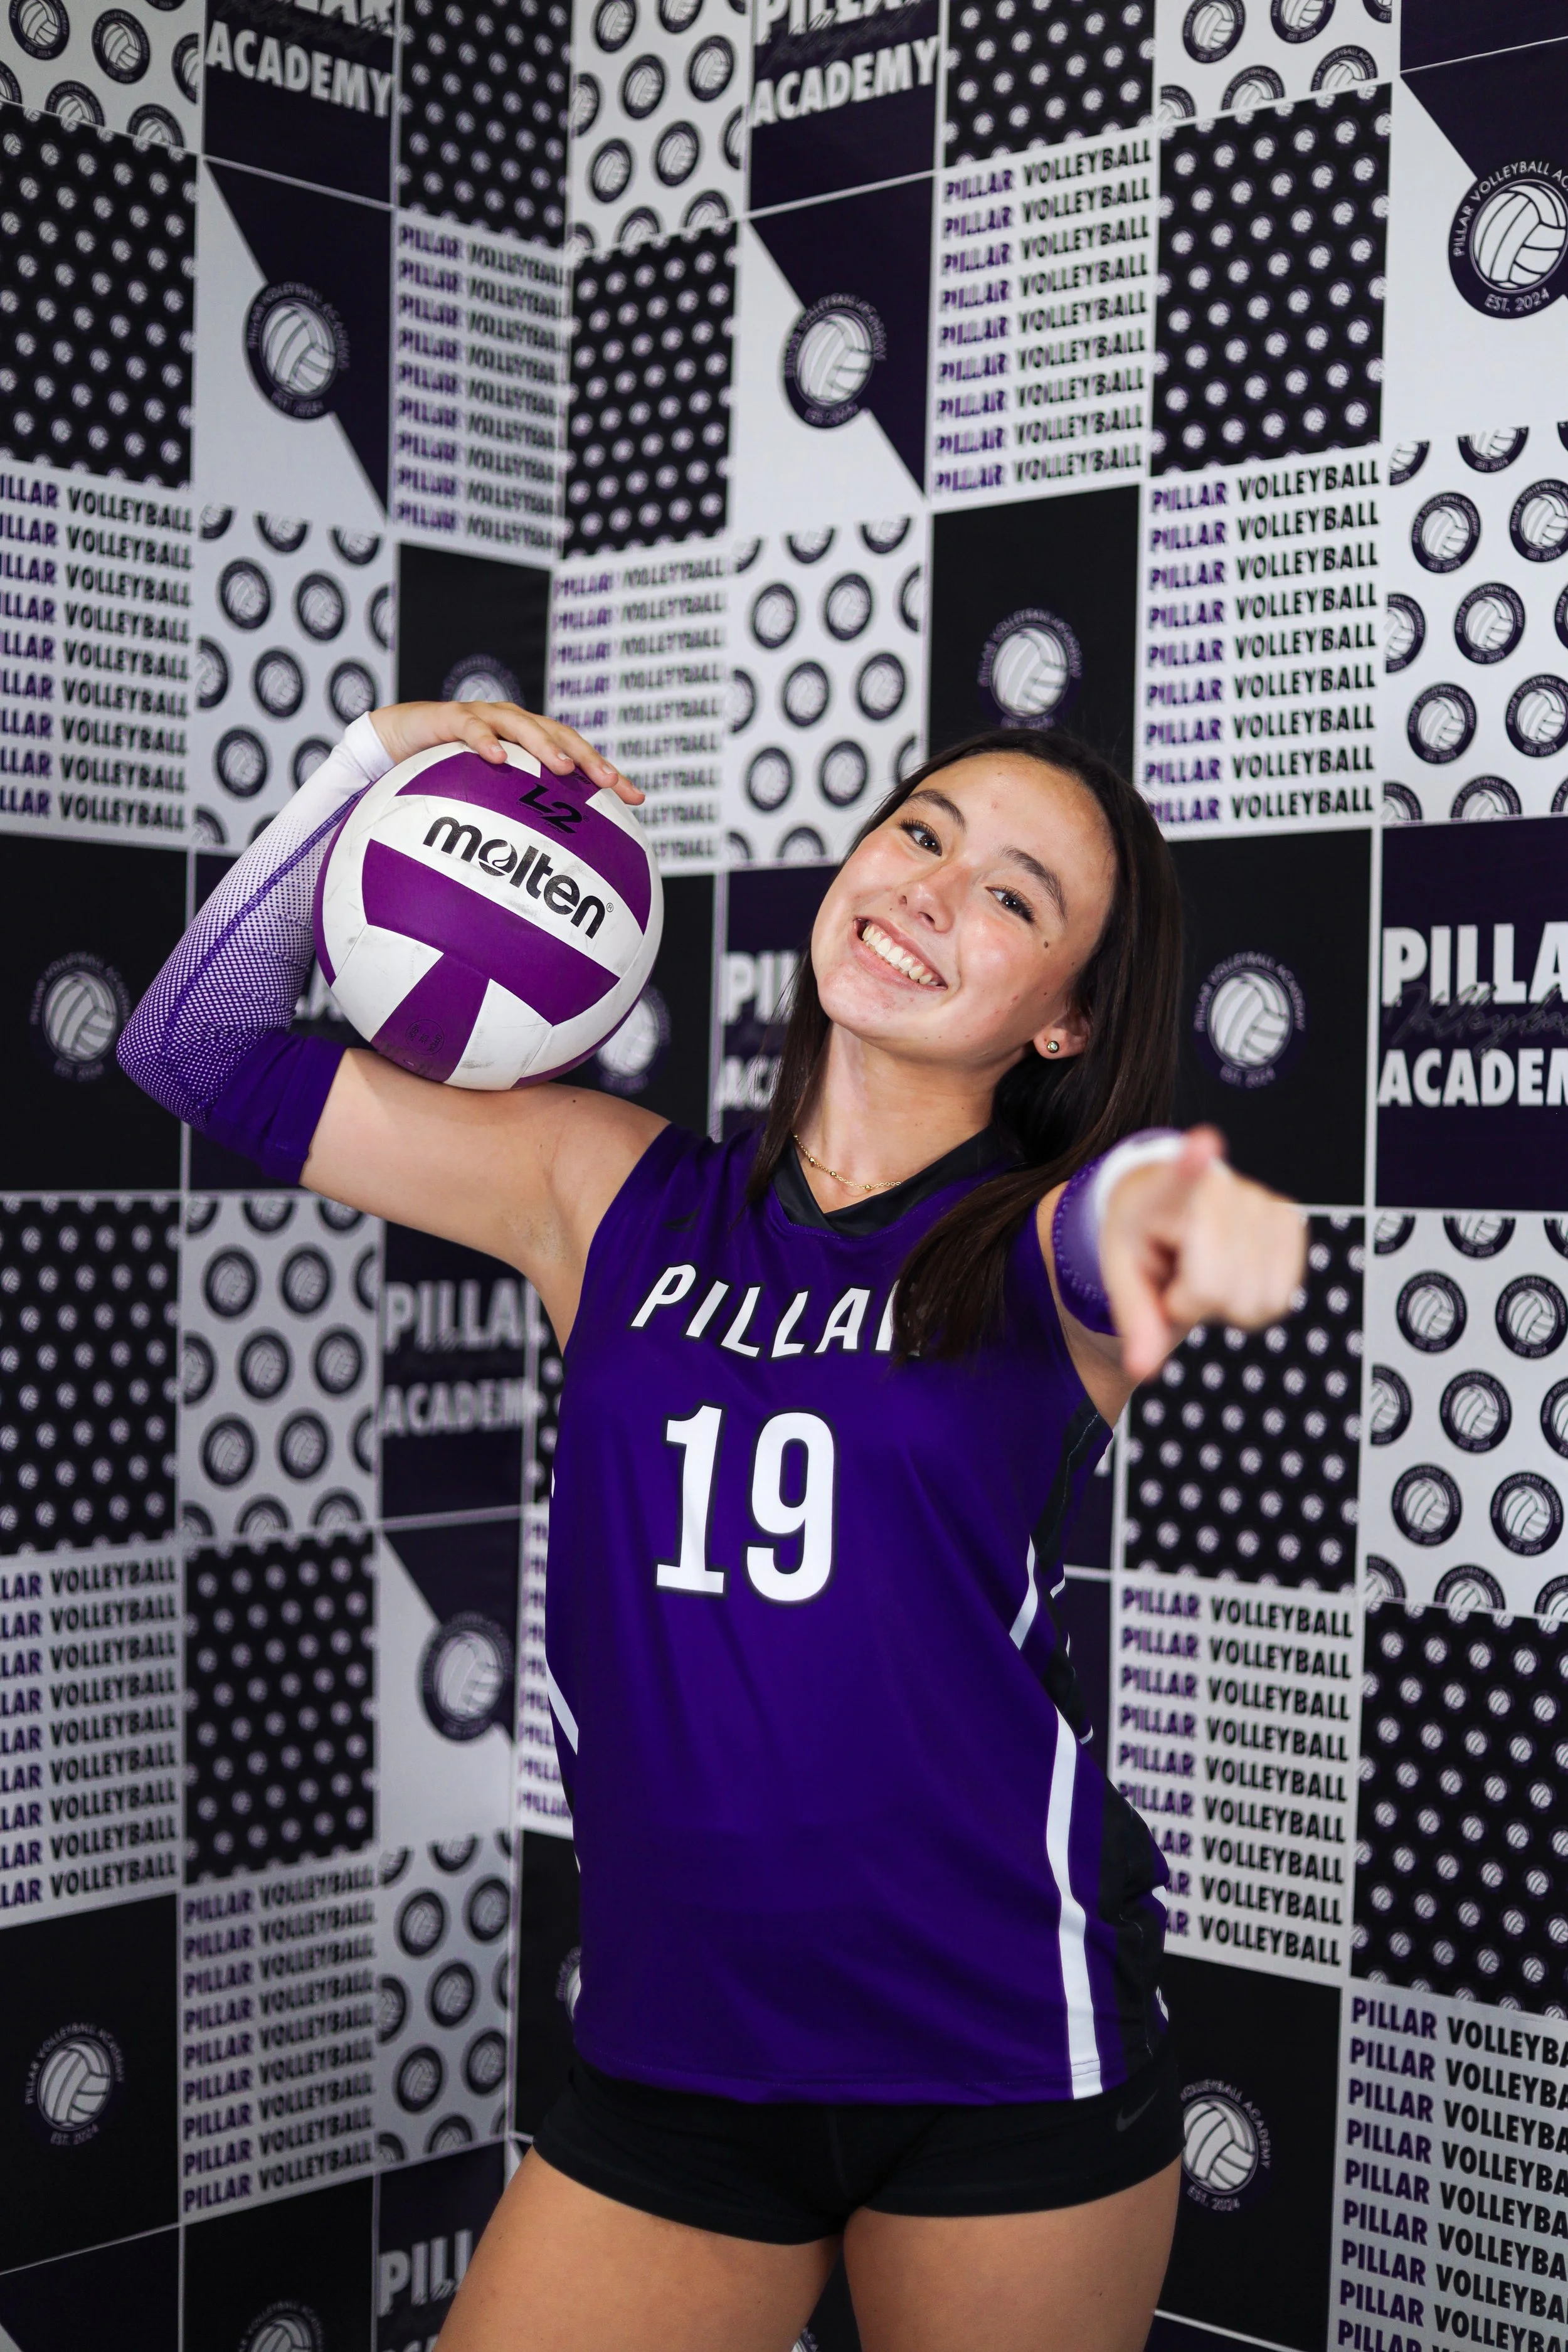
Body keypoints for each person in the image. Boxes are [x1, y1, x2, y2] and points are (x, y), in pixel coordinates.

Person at [121, 699, 1305, 2352]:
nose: (931, 886)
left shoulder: (1037, 1253)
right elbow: (198, 1051)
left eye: (1012, 898)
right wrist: (379, 766)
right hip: (678, 2054)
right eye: (922, 832)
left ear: (1062, 1021)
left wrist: (1179, 1214)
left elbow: (1141, 1223)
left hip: (996, 2054)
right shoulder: (605, 1189)